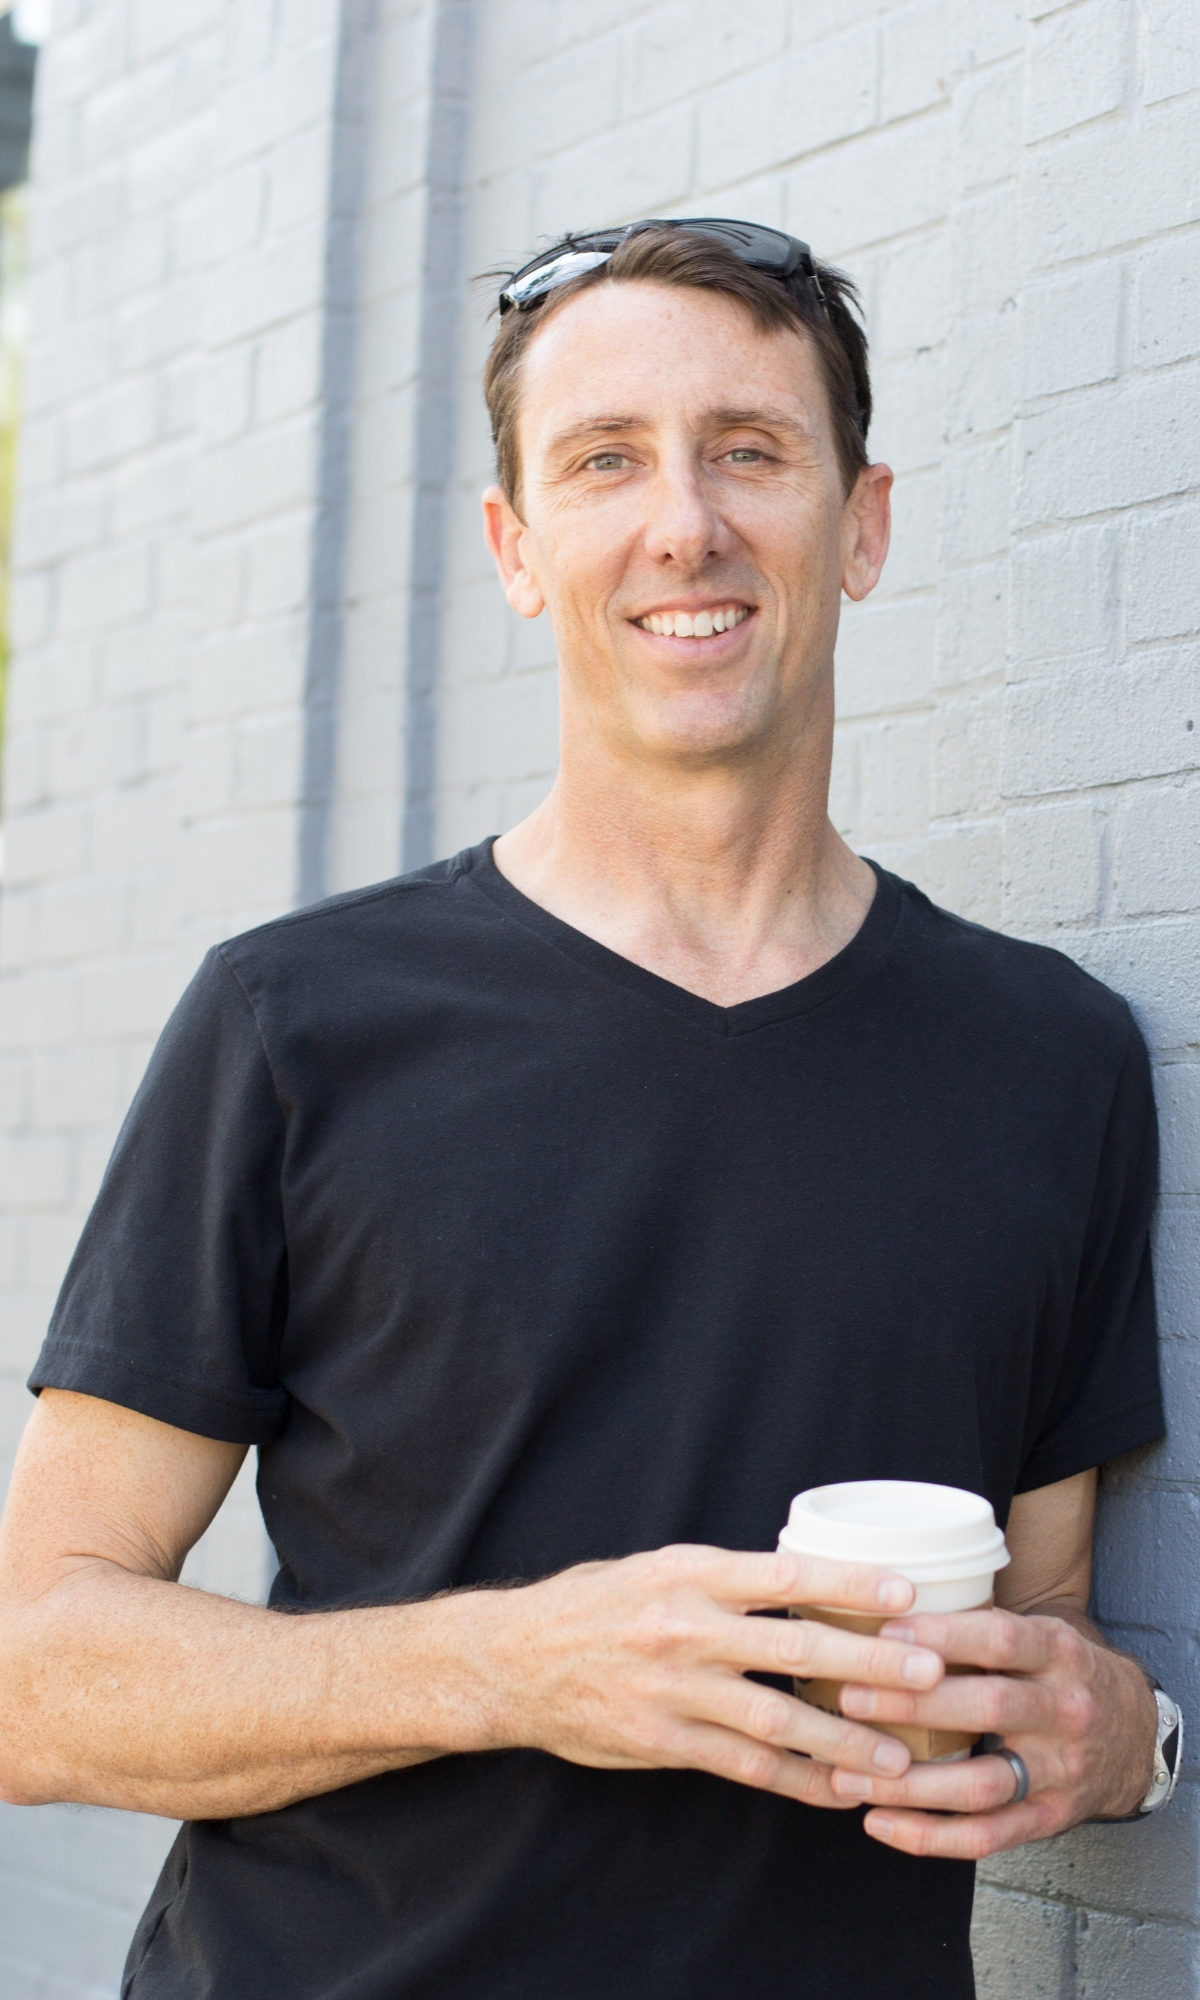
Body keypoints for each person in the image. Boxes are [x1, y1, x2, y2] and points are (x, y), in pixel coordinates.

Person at [0, 219, 1179, 2000]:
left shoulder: (1053, 1059)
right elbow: (33, 1675)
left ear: (862, 525)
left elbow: (1042, 1617)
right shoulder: (295, 1021)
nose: (685, 523)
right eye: (605, 462)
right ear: (520, 549)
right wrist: (523, 1665)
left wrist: (1117, 1738)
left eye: (752, 451)